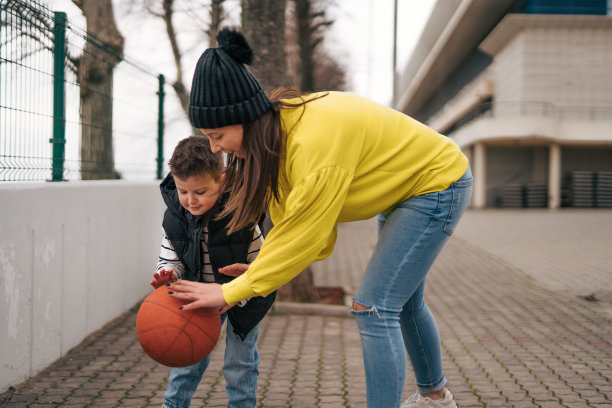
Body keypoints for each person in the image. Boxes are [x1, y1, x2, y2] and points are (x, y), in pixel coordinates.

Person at [168, 28, 473, 408]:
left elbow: (308, 238)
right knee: (403, 302)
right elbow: (294, 227)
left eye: (217, 135)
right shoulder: (277, 138)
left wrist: (230, 291)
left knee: (374, 308)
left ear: (243, 117)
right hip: (407, 190)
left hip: (437, 184)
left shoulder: (312, 144)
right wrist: (260, 269)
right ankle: (436, 398)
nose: (214, 148)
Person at [152, 135, 276, 408]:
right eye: (183, 191)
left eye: (199, 192)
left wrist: (236, 294)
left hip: (242, 298)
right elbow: (170, 257)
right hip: (199, 297)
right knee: (188, 358)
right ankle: (173, 405)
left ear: (220, 182)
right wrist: (167, 274)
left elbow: (264, 267)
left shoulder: (243, 217)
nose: (190, 200)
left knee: (240, 362)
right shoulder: (174, 218)